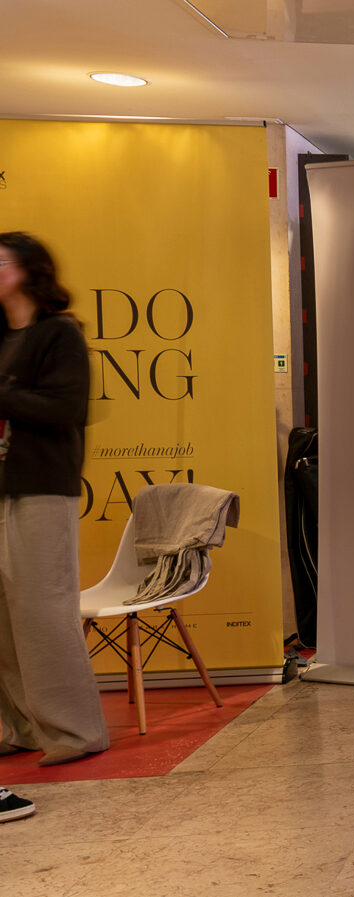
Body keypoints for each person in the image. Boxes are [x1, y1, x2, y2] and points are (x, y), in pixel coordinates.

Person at [0, 232, 109, 765]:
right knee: (2, 620)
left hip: (42, 488)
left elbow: (65, 408)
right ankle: (19, 728)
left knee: (42, 614)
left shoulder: (59, 333)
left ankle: (75, 732)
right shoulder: (0, 336)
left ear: (29, 271)